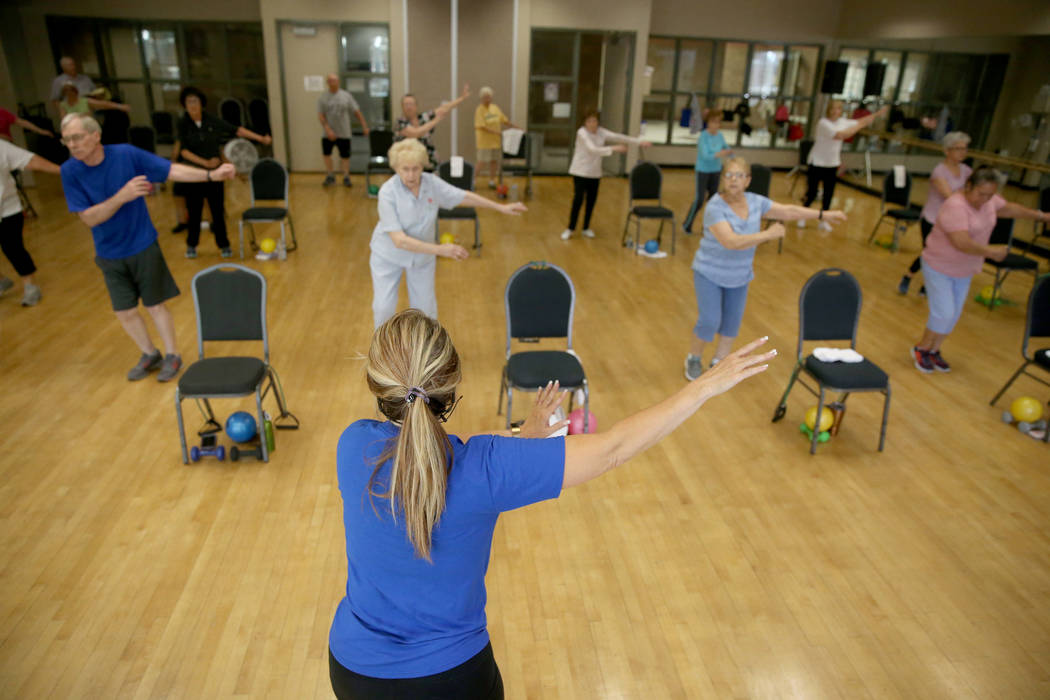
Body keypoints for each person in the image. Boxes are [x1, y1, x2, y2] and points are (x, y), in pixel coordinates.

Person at [329, 308, 775, 699]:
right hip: (449, 680)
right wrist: (703, 388)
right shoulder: (486, 469)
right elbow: (612, 449)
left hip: (353, 669)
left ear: (379, 384)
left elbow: (433, 454)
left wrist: (526, 438)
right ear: (449, 387)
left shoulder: (353, 447)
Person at [59, 113, 236, 381]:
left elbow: (171, 170)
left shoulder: (126, 155)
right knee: (125, 311)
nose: (72, 144)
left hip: (142, 245)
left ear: (96, 136)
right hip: (108, 253)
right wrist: (123, 196)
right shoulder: (69, 171)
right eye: (67, 139)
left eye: (77, 137)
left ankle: (172, 355)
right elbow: (90, 218)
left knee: (155, 305)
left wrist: (210, 175)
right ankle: (149, 353)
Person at [684, 157, 846, 380]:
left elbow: (788, 211)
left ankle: (719, 362)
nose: (733, 180)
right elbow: (731, 241)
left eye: (739, 176)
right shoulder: (714, 207)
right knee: (710, 320)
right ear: (722, 179)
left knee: (732, 322)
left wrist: (823, 214)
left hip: (739, 275)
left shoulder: (756, 202)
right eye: (729, 175)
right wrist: (768, 235)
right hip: (709, 272)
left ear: (748, 180)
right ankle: (694, 358)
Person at [369, 138, 526, 328]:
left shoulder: (431, 183)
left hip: (422, 256)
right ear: (396, 168)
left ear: (422, 166)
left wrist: (500, 207)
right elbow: (399, 241)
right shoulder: (387, 192)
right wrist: (440, 250)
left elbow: (463, 196)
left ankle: (427, 352)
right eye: (405, 169)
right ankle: (383, 354)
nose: (411, 175)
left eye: (416, 168)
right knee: (383, 308)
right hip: (389, 255)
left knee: (426, 310)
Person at [911, 166, 1050, 373]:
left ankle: (934, 350)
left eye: (990, 195)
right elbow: (961, 242)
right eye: (980, 194)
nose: (984, 199)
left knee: (954, 314)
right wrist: (990, 252)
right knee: (944, 312)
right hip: (939, 265)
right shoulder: (955, 206)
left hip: (965, 269)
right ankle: (921, 348)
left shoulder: (989, 201)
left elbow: (1008, 209)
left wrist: (1041, 216)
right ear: (968, 186)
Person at [175, 86, 271, 258]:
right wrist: (205, 162)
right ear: (184, 105)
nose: (192, 105)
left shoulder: (211, 120)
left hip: (215, 176)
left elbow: (237, 130)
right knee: (194, 211)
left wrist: (260, 138)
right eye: (189, 102)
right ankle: (192, 245)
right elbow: (184, 151)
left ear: (201, 103)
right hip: (194, 175)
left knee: (217, 211)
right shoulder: (183, 124)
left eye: (195, 101)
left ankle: (224, 245)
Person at [898, 131, 972, 297]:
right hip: (932, 219)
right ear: (947, 151)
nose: (962, 152)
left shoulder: (967, 171)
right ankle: (909, 275)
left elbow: (973, 194)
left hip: (953, 221)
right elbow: (950, 197)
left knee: (945, 254)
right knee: (931, 253)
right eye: (958, 148)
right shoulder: (939, 171)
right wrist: (963, 192)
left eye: (965, 149)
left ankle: (927, 285)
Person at [560, 111, 651, 241]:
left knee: (591, 201)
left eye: (595, 121)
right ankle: (570, 228)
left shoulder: (601, 131)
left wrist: (639, 142)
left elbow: (618, 137)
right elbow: (593, 149)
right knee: (578, 200)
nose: (592, 124)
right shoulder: (582, 133)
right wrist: (614, 149)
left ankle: (586, 228)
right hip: (580, 172)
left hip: (595, 173)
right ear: (585, 123)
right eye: (589, 121)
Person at [800, 100, 887, 230]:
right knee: (812, 192)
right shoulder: (823, 123)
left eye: (838, 109)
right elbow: (841, 135)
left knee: (828, 193)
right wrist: (858, 127)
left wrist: (877, 114)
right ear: (828, 110)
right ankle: (802, 216)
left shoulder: (843, 122)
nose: (836, 111)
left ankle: (824, 219)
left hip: (832, 163)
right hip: (817, 162)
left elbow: (862, 121)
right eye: (833, 109)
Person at [0, 140, 61, 306]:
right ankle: (2, 281)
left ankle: (30, 286)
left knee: (13, 248)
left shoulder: (1, 147)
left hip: (7, 209)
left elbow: (30, 160)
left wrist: (64, 171)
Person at [682, 109, 732, 234]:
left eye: (718, 122)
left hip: (716, 170)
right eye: (713, 122)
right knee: (699, 199)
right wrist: (720, 153)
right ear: (708, 122)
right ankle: (687, 224)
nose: (716, 125)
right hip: (703, 171)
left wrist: (730, 154)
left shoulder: (720, 135)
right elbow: (705, 155)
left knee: (713, 201)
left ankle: (708, 227)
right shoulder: (703, 136)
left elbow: (726, 147)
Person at [395, 85, 471, 167]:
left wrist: (462, 98)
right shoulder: (400, 123)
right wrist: (436, 120)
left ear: (416, 106)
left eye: (411, 104)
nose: (408, 107)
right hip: (410, 167)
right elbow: (416, 133)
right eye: (406, 104)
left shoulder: (423, 118)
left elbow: (444, 108)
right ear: (402, 107)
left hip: (431, 164)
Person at [319, 73, 369, 187]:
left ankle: (346, 176)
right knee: (327, 154)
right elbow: (321, 115)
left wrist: (364, 125)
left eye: (335, 80)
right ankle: (330, 175)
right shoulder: (323, 97)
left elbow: (357, 111)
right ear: (327, 83)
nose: (333, 82)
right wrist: (328, 129)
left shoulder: (346, 96)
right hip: (328, 134)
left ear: (338, 82)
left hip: (344, 132)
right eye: (330, 80)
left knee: (345, 156)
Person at [473, 87, 519, 189]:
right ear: (481, 98)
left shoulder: (495, 108)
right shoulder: (479, 110)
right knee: (481, 161)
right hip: (484, 142)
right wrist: (497, 132)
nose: (487, 99)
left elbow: (504, 120)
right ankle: (473, 180)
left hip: (495, 142)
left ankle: (492, 181)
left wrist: (515, 127)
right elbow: (481, 126)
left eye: (489, 97)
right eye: (485, 97)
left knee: (494, 161)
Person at [57, 82, 130, 119]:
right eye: (67, 92)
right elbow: (64, 119)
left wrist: (119, 106)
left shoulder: (85, 101)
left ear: (75, 92)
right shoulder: (63, 105)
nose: (69, 94)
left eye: (71, 91)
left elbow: (103, 104)